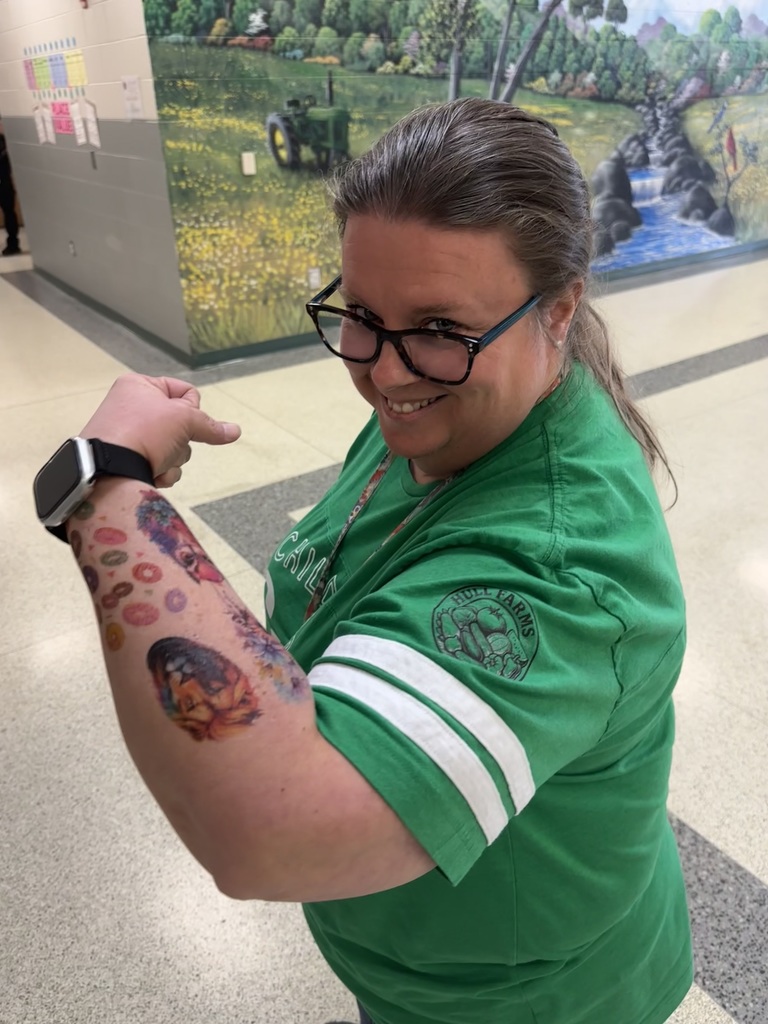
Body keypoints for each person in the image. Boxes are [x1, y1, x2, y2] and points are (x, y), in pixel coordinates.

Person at [33, 99, 693, 1024]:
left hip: (527, 999)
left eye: (437, 328)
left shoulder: (557, 563)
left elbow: (270, 831)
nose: (382, 371)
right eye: (360, 315)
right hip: (419, 959)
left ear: (562, 305)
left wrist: (107, 489)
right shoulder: (451, 408)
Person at [0, 124, 20, 256]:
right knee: (9, 213)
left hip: (4, 184)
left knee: (9, 214)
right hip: (5, 183)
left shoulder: (4, 143)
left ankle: (13, 244)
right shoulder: (4, 142)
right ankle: (13, 244)